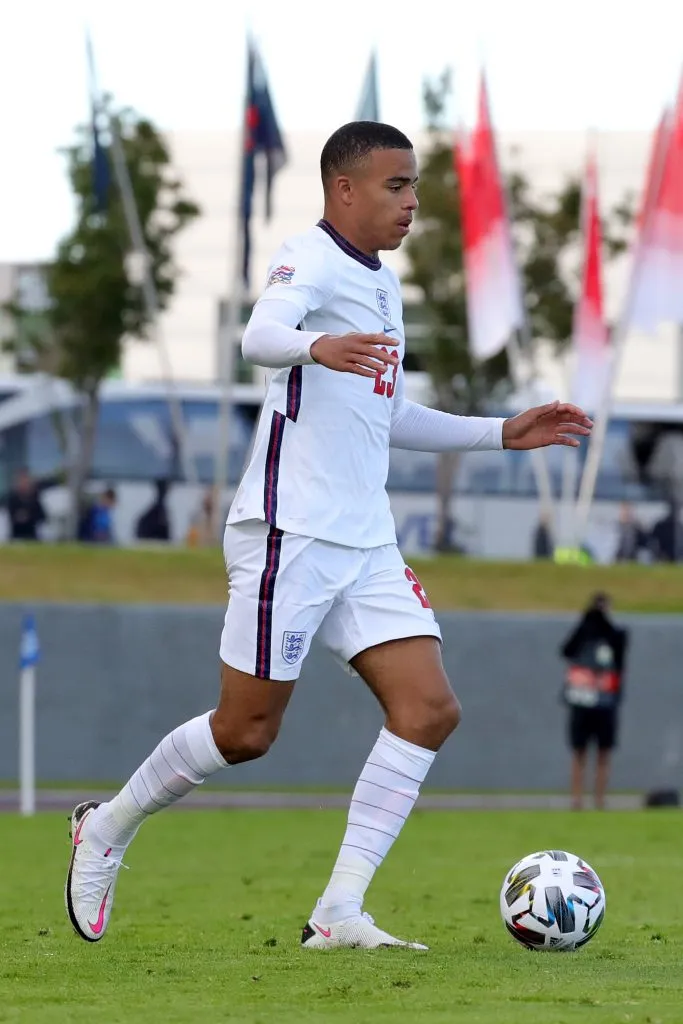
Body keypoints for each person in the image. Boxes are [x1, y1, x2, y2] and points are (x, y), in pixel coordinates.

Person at [64, 121, 591, 950]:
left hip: (363, 540)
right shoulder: (307, 257)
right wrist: (316, 345)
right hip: (291, 533)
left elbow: (386, 415)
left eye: (413, 185)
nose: (412, 201)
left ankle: (338, 911)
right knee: (245, 734)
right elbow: (258, 336)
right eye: (395, 185)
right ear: (343, 189)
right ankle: (105, 828)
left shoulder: (381, 285)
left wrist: (500, 431)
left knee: (427, 708)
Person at [560, 592, 628, 811]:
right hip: (582, 699)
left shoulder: (615, 634)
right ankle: (577, 798)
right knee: (579, 751)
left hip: (605, 702)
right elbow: (566, 650)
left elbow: (620, 654)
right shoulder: (584, 631)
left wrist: (604, 623)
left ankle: (599, 798)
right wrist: (586, 621)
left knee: (603, 752)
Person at [6, 468, 46, 541]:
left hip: (32, 535)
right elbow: (10, 515)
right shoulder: (13, 499)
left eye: (25, 481)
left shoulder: (34, 498)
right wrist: (19, 516)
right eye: (21, 481)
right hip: (16, 535)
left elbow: (42, 516)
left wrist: (29, 516)